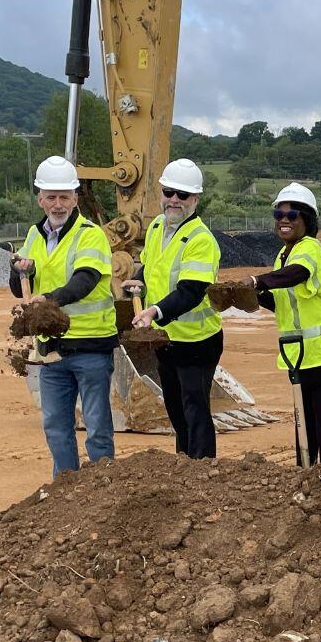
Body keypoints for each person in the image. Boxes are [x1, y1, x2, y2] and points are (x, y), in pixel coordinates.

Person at [10, 156, 117, 478]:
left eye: (64, 197)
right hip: (51, 350)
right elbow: (18, 289)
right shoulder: (34, 235)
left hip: (91, 346)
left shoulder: (90, 234)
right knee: (56, 427)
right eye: (51, 197)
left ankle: (102, 487)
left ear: (75, 198)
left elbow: (85, 280)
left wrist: (49, 301)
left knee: (97, 428)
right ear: (40, 199)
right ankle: (65, 489)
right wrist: (19, 272)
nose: (58, 204)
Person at [246, 182, 321, 470]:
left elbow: (297, 274)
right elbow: (282, 302)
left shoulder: (310, 248)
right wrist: (251, 296)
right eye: (279, 214)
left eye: (292, 214)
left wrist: (258, 281)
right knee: (304, 424)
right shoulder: (282, 255)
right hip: (301, 355)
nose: (284, 220)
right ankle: (305, 477)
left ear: (307, 220)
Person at [121, 158, 222, 460]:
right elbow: (151, 267)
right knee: (176, 409)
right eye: (169, 192)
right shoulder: (156, 226)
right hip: (166, 339)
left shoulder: (201, 239)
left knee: (195, 408)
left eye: (183, 195)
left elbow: (191, 291)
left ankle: (202, 468)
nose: (174, 200)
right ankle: (183, 464)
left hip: (197, 341)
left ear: (195, 199)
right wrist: (138, 280)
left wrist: (154, 311)